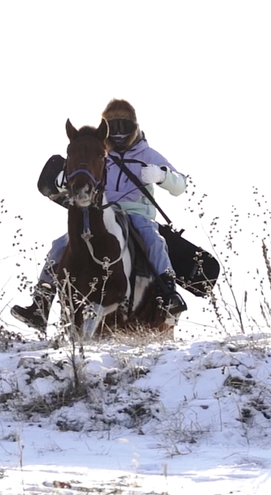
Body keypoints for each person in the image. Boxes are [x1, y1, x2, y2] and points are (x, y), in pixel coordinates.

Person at [11, 98, 187, 330]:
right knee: (60, 245)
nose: (118, 134)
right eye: (112, 128)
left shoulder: (148, 154)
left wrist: (161, 176)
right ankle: (41, 303)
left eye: (124, 127)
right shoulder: (99, 153)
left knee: (154, 241)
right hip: (103, 211)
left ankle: (169, 295)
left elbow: (181, 185)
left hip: (137, 213)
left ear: (134, 127)